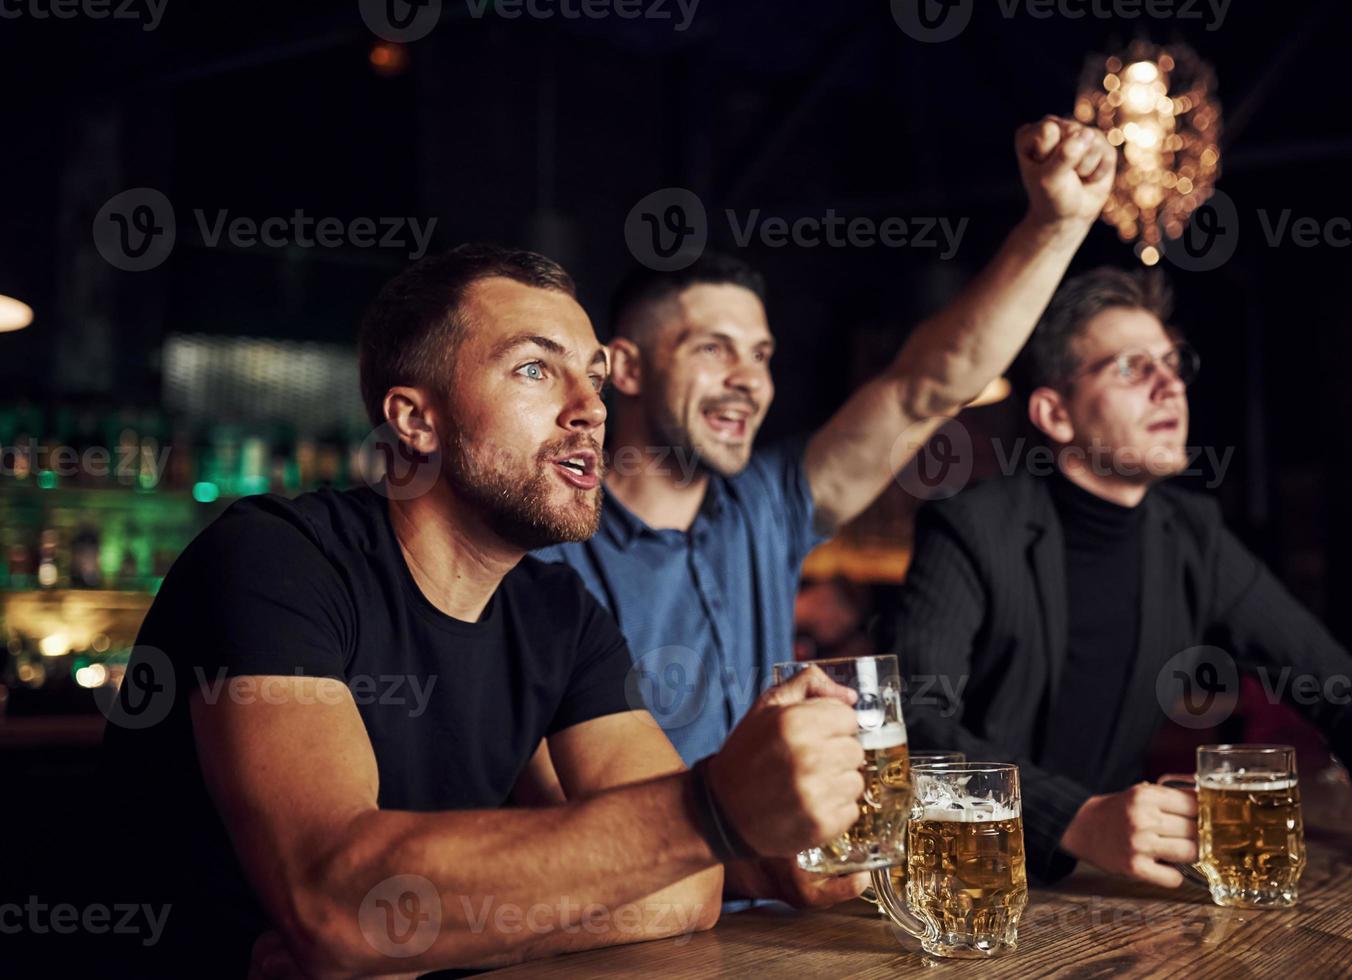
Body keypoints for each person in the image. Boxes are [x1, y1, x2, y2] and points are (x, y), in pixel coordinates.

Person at [100, 245, 874, 978]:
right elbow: (337, 899)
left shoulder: (558, 613)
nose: (591, 412)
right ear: (415, 420)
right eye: (536, 369)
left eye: (596, 379)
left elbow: (686, 891)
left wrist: (419, 945)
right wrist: (709, 808)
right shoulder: (275, 562)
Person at [534, 111, 1114, 785]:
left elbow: (924, 389)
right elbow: (553, 800)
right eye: (712, 350)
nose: (748, 381)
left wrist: (1055, 225)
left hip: (796, 886)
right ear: (625, 369)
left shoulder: (766, 505)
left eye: (760, 356)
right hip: (653, 887)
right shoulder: (550, 545)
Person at [895, 266, 1352, 889]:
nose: (1170, 386)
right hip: (956, 882)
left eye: (1172, 363)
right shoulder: (971, 527)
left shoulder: (1190, 534)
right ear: (1055, 414)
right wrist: (1076, 818)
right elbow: (915, 724)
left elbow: (1340, 685)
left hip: (1095, 892)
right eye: (1131, 368)